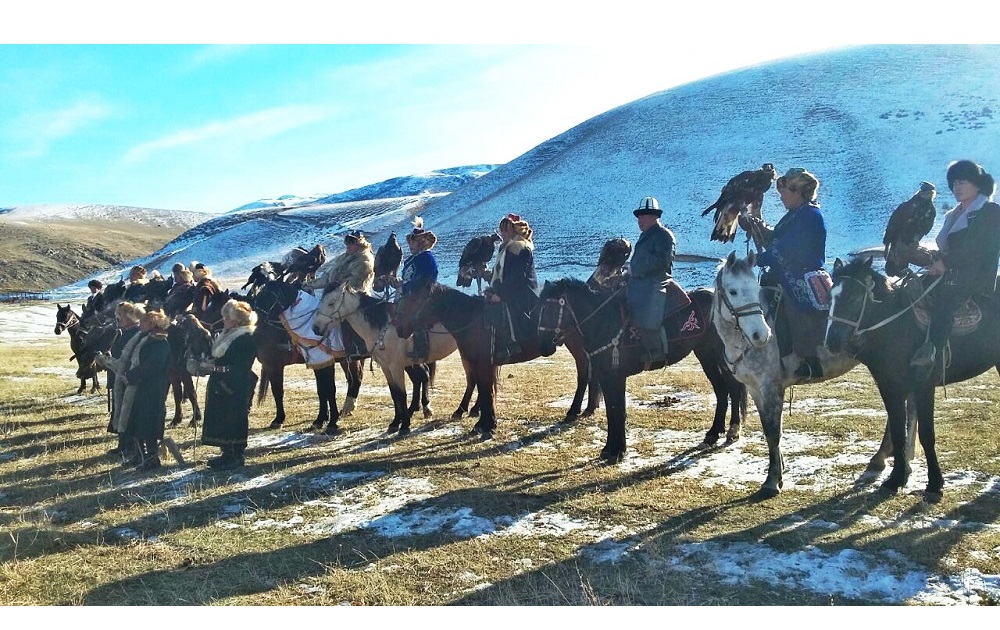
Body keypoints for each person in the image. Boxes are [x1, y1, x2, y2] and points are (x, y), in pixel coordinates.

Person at [910, 160, 1000, 380]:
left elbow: (978, 249)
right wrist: (927, 258)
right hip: (951, 274)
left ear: (977, 184)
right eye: (954, 183)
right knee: (912, 291)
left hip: (975, 278)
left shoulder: (990, 211)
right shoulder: (955, 214)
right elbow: (948, 249)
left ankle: (933, 355)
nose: (957, 188)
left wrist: (946, 263)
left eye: (963, 182)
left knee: (944, 303)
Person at [744, 167, 828, 380]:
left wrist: (759, 259)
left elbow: (789, 249)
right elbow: (778, 239)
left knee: (793, 304)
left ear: (798, 191)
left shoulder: (810, 215)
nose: (781, 197)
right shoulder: (795, 214)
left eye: (784, 193)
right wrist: (759, 228)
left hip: (803, 274)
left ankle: (810, 361)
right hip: (785, 271)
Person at [201, 300, 259, 470]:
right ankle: (226, 453)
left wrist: (221, 375)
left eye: (227, 317)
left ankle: (236, 455)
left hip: (235, 384)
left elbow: (241, 365)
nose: (224, 320)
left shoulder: (245, 337)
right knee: (222, 418)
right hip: (221, 381)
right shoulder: (227, 334)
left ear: (237, 320)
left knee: (233, 417)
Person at [304, 231, 375, 357]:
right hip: (336, 296)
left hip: (355, 301)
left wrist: (333, 288)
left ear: (359, 244)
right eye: (347, 243)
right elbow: (327, 278)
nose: (348, 246)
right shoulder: (344, 258)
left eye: (352, 243)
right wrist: (308, 285)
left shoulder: (365, 261)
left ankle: (357, 348)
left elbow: (354, 285)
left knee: (338, 316)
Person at [625, 197, 676, 367]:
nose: (640, 220)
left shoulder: (664, 235)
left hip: (658, 280)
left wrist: (636, 270)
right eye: (639, 217)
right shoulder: (644, 237)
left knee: (646, 306)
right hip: (640, 281)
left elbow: (663, 260)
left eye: (644, 216)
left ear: (655, 217)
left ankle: (656, 351)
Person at [485, 213, 538, 360]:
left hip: (523, 293)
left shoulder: (521, 248)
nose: (502, 234)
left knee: (507, 310)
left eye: (505, 230)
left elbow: (516, 278)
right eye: (501, 230)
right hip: (510, 289)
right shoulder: (506, 248)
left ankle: (510, 345)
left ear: (514, 231)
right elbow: (502, 275)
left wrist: (500, 295)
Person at [96, 301, 144, 459]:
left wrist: (105, 361)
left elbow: (127, 362)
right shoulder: (124, 332)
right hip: (119, 378)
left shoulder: (135, 334)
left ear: (131, 316)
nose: (118, 319)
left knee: (127, 412)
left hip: (129, 379)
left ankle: (130, 446)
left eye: (121, 316)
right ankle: (123, 444)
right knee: (120, 410)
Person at [393, 217, 439, 361]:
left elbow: (422, 280)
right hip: (409, 293)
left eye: (413, 243)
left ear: (421, 244)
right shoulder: (412, 259)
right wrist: (396, 282)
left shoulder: (426, 258)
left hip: (423, 294)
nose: (410, 246)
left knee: (416, 316)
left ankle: (421, 348)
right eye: (410, 243)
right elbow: (409, 278)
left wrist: (403, 286)